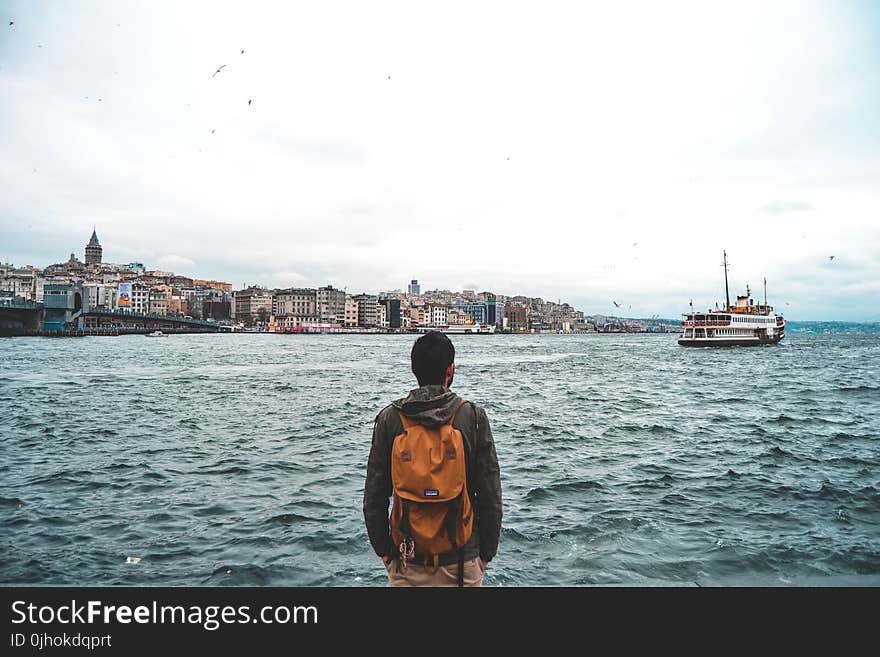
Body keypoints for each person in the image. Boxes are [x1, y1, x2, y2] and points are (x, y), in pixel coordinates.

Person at [363, 331, 502, 587]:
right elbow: (489, 492)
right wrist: (485, 554)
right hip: (462, 558)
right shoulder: (472, 417)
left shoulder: (390, 419)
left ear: (413, 368)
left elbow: (375, 494)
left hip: (406, 557)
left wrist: (384, 550)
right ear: (451, 369)